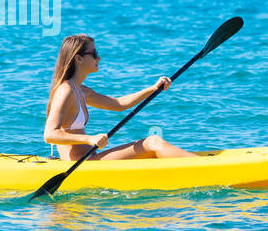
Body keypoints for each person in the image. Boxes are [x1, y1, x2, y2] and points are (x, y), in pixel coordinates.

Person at [43, 34, 195, 161]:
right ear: (79, 59)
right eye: (94, 54)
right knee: (152, 142)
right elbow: (50, 134)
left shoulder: (81, 91)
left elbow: (119, 104)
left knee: (151, 150)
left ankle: (197, 163)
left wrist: (153, 88)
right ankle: (204, 166)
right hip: (81, 165)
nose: (99, 58)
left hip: (91, 158)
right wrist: (89, 139)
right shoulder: (65, 91)